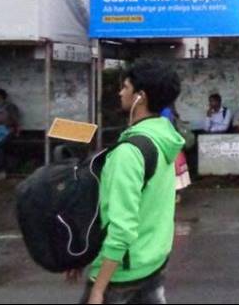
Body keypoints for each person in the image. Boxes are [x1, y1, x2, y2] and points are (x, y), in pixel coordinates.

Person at [67, 59, 184, 304]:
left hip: (121, 276)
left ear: (140, 97)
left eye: (126, 87)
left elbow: (121, 227)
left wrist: (99, 289)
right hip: (153, 261)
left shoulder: (129, 153)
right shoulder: (163, 137)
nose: (120, 92)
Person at [161, 105, 190, 203]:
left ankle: (173, 194)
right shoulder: (169, 111)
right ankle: (175, 194)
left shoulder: (165, 112)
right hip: (173, 144)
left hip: (168, 144)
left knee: (172, 170)